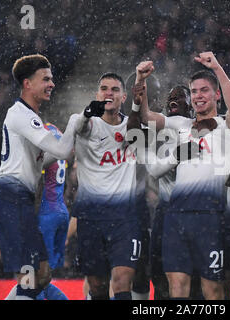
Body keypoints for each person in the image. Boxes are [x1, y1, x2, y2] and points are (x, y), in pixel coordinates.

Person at [136, 52, 230, 300]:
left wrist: (217, 67)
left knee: (212, 290)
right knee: (177, 288)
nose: (198, 96)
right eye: (194, 92)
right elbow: (145, 116)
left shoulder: (227, 128)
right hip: (176, 218)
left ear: (217, 95)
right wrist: (141, 79)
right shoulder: (182, 125)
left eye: (204, 90)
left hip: (211, 219)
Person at [0, 54, 78, 300]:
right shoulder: (22, 114)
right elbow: (60, 151)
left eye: (52, 78)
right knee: (31, 276)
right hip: (11, 195)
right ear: (27, 84)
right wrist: (74, 122)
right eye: (45, 79)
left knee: (42, 275)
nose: (52, 84)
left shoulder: (29, 117)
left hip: (18, 197)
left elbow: (47, 159)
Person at [69, 72, 140, 300]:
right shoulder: (87, 124)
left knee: (121, 281)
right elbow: (79, 126)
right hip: (91, 219)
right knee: (97, 287)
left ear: (123, 96)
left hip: (124, 219)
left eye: (115, 89)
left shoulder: (133, 127)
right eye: (104, 88)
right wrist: (87, 112)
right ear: (97, 94)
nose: (109, 93)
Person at [5, 122, 70, 300]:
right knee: (42, 277)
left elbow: (35, 181)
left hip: (46, 215)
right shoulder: (57, 132)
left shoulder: (41, 137)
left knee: (34, 278)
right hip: (60, 210)